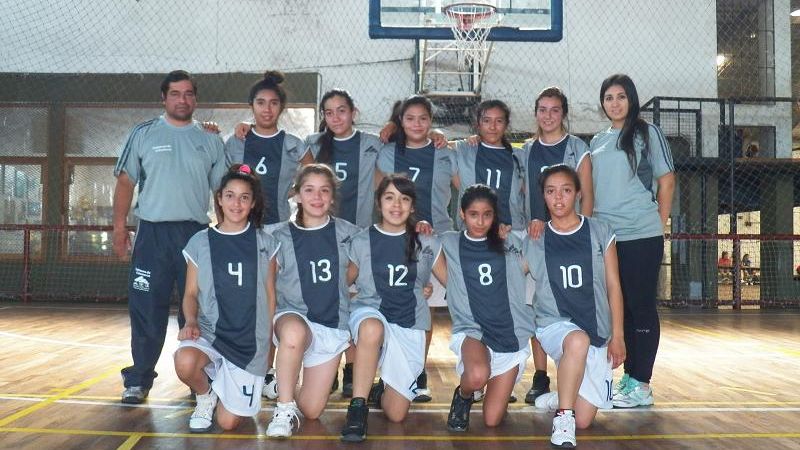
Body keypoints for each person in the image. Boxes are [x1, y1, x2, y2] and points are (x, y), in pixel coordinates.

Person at [112, 70, 227, 404]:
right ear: (164, 98)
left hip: (196, 235)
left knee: (202, 309)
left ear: (196, 99)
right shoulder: (144, 133)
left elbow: (222, 192)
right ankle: (139, 378)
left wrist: (225, 238)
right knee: (147, 306)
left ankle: (199, 377)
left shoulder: (210, 139)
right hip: (152, 233)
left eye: (189, 93)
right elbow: (124, 182)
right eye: (175, 93)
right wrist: (119, 228)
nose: (182, 99)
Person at [524, 164, 625, 448]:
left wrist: (617, 336)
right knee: (577, 340)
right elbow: (508, 269)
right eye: (551, 191)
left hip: (597, 329)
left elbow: (614, 285)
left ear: (578, 194)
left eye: (566, 190)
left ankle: (561, 398)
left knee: (585, 420)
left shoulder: (600, 231)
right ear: (543, 196)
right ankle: (562, 417)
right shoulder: (535, 237)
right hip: (553, 324)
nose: (558, 198)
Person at [174, 164, 279, 432]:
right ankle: (205, 395)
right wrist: (191, 320)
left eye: (245, 197)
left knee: (228, 423)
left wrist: (267, 345)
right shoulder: (200, 241)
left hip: (247, 341)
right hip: (210, 333)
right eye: (230, 195)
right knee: (185, 362)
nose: (236, 203)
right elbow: (189, 293)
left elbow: (269, 294)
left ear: (253, 203)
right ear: (219, 199)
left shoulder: (265, 242)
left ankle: (227, 383)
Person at [591, 74, 675, 408]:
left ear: (632, 99)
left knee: (641, 307)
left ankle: (642, 382)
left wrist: (658, 222)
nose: (615, 103)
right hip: (607, 238)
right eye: (608, 97)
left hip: (640, 233)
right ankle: (628, 376)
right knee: (618, 308)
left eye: (621, 96)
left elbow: (666, 181)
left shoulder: (645, 133)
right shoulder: (597, 140)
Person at [340, 174, 441, 442]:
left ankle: (381, 388)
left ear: (412, 206)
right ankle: (357, 408)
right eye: (389, 198)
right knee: (371, 329)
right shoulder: (362, 241)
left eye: (404, 199)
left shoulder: (426, 242)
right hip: (371, 312)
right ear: (378, 202)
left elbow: (455, 282)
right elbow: (342, 283)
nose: (396, 205)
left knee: (396, 414)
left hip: (408, 322)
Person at [265, 164, 361, 438]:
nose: (317, 197)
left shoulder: (350, 234)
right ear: (297, 195)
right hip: (292, 317)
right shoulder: (278, 237)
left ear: (332, 197)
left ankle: (283, 384)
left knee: (311, 409)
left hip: (331, 324)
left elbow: (376, 257)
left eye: (324, 191)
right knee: (294, 333)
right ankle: (283, 409)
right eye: (309, 190)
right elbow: (266, 285)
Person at [431, 184, 534, 432]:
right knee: (476, 376)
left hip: (510, 335)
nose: (480, 221)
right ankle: (464, 395)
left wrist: (533, 230)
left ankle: (496, 388)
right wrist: (422, 228)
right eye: (473, 214)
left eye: (487, 214)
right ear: (462, 215)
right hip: (473, 330)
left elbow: (534, 258)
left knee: (491, 420)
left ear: (494, 216)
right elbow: (420, 245)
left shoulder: (509, 243)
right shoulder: (449, 242)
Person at [378, 95, 458, 402]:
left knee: (426, 307)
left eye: (423, 119)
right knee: (397, 305)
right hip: (397, 239)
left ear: (431, 122)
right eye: (409, 118)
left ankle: (418, 370)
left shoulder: (443, 152)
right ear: (400, 122)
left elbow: (463, 182)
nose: (416, 124)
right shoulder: (386, 153)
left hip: (435, 238)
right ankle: (388, 372)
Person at [225, 70, 306, 225]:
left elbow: (315, 174)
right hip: (241, 225)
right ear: (252, 105)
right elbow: (223, 186)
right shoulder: (237, 141)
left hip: (278, 226)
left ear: (281, 107)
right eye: (261, 102)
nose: (267, 109)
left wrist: (291, 191)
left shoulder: (293, 144)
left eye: (273, 103)